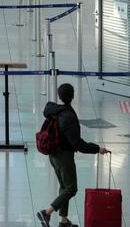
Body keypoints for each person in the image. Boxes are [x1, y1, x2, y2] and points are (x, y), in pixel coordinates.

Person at [37, 83, 109, 227]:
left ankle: (64, 221)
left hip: (54, 155)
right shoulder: (68, 116)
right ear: (73, 96)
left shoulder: (56, 110)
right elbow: (78, 144)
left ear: (59, 95)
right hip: (63, 156)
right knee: (71, 188)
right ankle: (47, 212)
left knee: (65, 187)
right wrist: (97, 149)